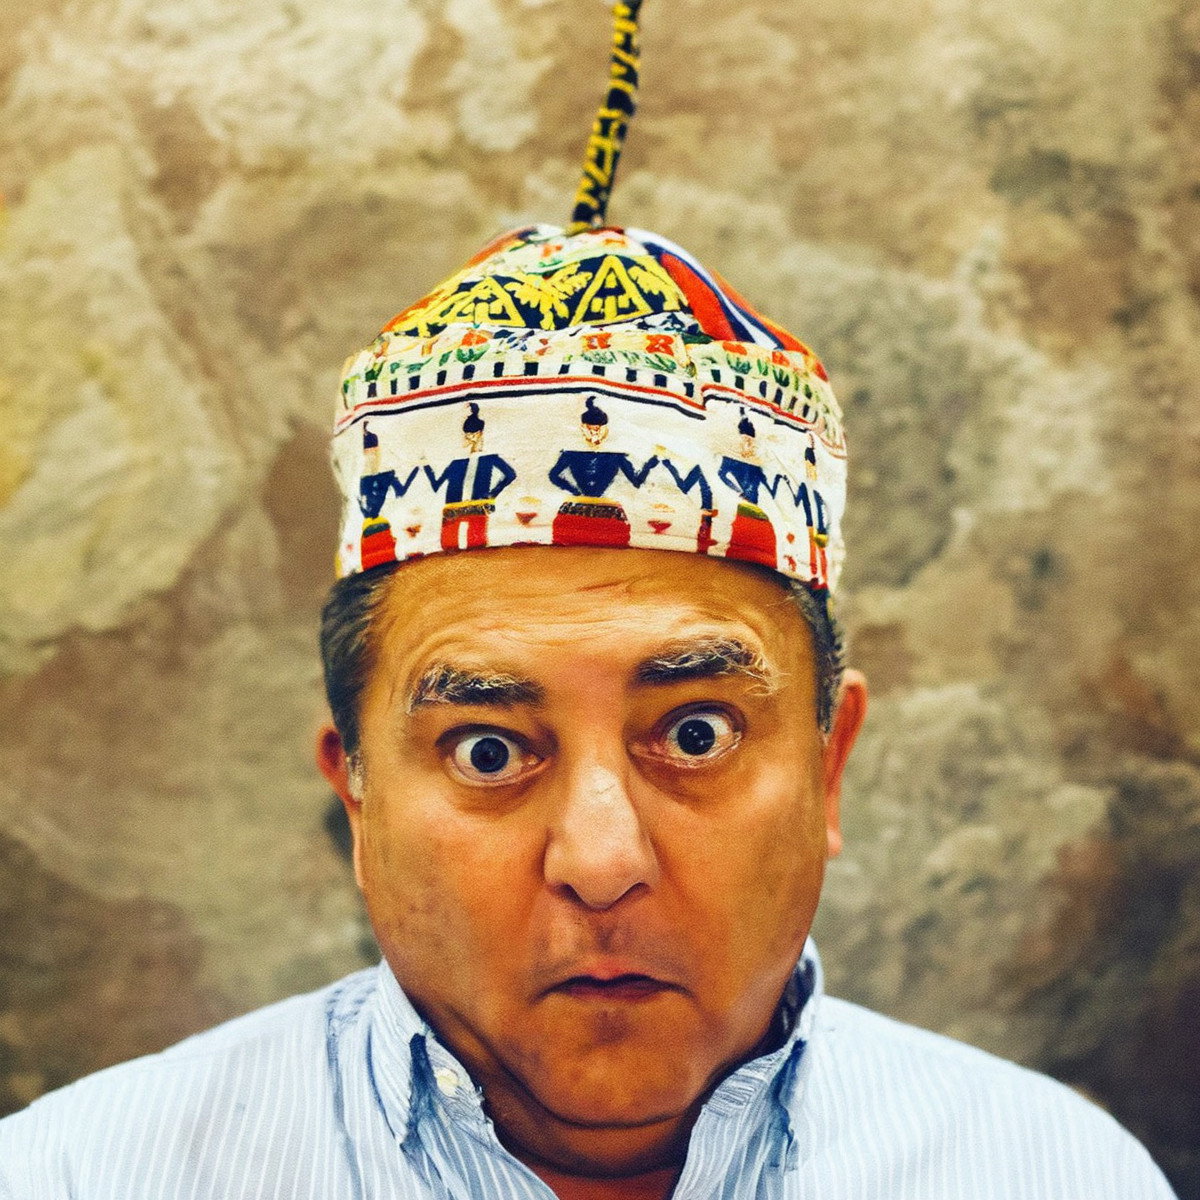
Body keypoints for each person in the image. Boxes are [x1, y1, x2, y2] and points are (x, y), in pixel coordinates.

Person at [0, 6, 1180, 1200]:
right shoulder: (86, 1178)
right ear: (356, 796)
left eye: (697, 733)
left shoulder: (1051, 1176)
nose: (603, 860)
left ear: (829, 769)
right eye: (488, 748)